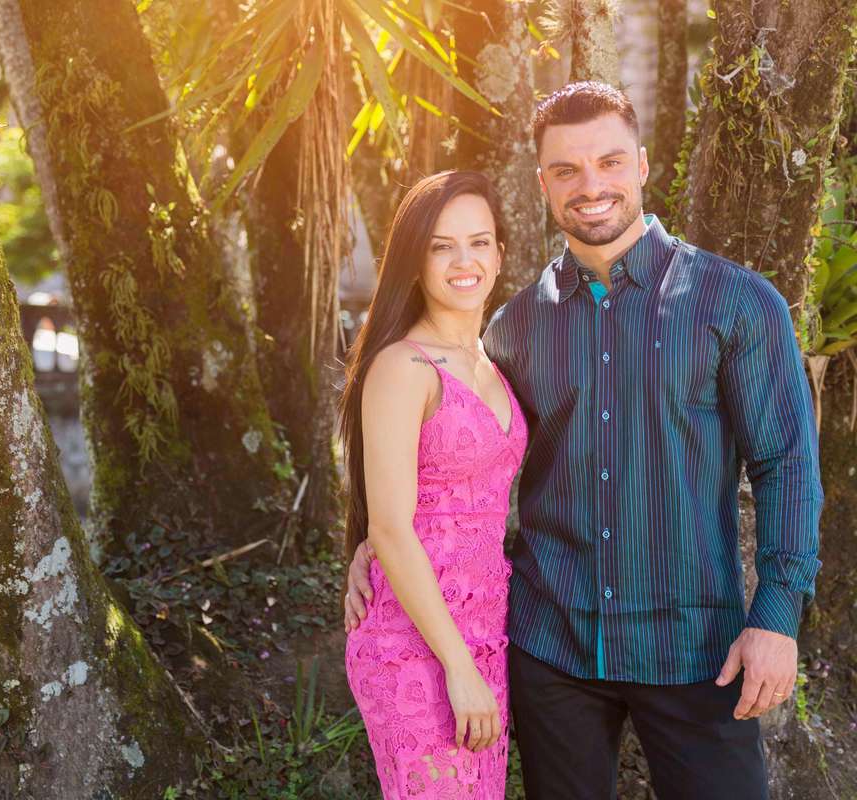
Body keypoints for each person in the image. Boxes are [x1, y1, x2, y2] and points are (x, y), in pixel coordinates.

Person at [344, 81, 823, 799]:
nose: (590, 185)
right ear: (542, 183)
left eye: (609, 162)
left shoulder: (734, 302)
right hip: (553, 651)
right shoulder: (513, 327)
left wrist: (778, 617)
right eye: (566, 170)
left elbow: (786, 462)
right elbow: (451, 449)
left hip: (695, 651)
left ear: (642, 164)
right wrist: (377, 541)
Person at [341, 170, 528, 798]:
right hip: (417, 645)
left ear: (501, 254)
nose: (464, 260)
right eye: (442, 245)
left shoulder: (492, 363)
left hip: (486, 634)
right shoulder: (402, 366)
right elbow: (391, 529)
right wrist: (458, 667)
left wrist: (476, 662)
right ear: (415, 260)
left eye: (479, 242)